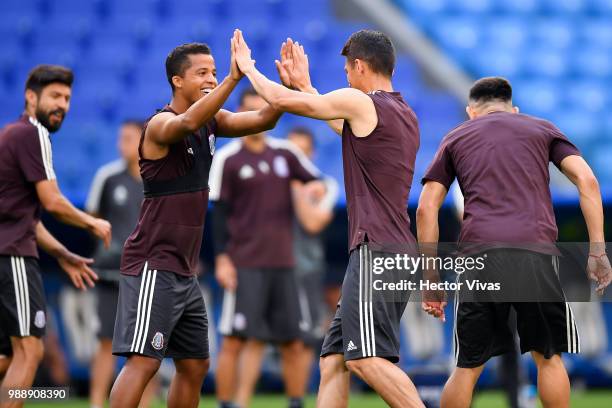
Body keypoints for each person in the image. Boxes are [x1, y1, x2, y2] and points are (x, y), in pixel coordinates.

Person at [232, 29, 425, 407]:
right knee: (334, 361)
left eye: (347, 69)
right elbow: (338, 122)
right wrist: (306, 85)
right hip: (393, 248)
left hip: (378, 250)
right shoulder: (402, 113)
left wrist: (249, 69)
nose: (346, 77)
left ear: (359, 66)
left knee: (366, 359)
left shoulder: (361, 100)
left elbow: (282, 100)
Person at [109, 34, 284, 408]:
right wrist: (233, 79)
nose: (210, 79)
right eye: (202, 73)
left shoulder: (212, 120)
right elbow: (188, 121)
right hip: (153, 264)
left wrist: (286, 88)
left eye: (215, 72)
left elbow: (264, 119)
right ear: (177, 80)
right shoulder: (160, 124)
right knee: (143, 363)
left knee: (195, 365)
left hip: (185, 271)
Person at [416, 76, 612, 408]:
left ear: (471, 112)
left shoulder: (457, 136)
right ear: (514, 109)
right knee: (548, 357)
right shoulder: (542, 129)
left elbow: (425, 208)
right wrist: (597, 249)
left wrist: (431, 276)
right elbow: (588, 180)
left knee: (466, 367)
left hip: (480, 257)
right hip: (534, 254)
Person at [0, 64, 111, 406]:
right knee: (31, 349)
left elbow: (25, 218)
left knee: (7, 356)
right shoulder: (32, 133)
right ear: (30, 97)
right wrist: (92, 223)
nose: (62, 104)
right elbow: (52, 202)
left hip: (10, 249)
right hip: (13, 256)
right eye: (54, 96)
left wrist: (62, 253)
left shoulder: (11, 134)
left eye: (66, 98)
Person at [209, 101, 328, 408]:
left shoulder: (285, 153)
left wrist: (315, 189)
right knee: (235, 340)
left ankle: (295, 402)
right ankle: (226, 403)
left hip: (284, 263)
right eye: (250, 110)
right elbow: (218, 214)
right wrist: (222, 259)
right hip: (245, 263)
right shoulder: (228, 158)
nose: (257, 116)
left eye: (261, 109)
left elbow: (318, 180)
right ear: (240, 114)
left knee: (292, 341)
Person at [86, 120, 160, 408]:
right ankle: (95, 402)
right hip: (109, 273)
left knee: (149, 347)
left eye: (129, 138)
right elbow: (91, 217)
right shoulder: (107, 176)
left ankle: (146, 403)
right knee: (105, 341)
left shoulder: (159, 176)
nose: (122, 143)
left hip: (148, 276)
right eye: (121, 137)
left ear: (144, 140)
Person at [287, 125, 339, 393]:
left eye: (302, 154)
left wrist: (295, 186)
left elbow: (312, 222)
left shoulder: (325, 184)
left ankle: (297, 398)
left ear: (313, 154)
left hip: (304, 269)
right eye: (291, 154)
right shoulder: (267, 179)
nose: (297, 160)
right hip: (263, 266)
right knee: (246, 337)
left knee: (303, 338)